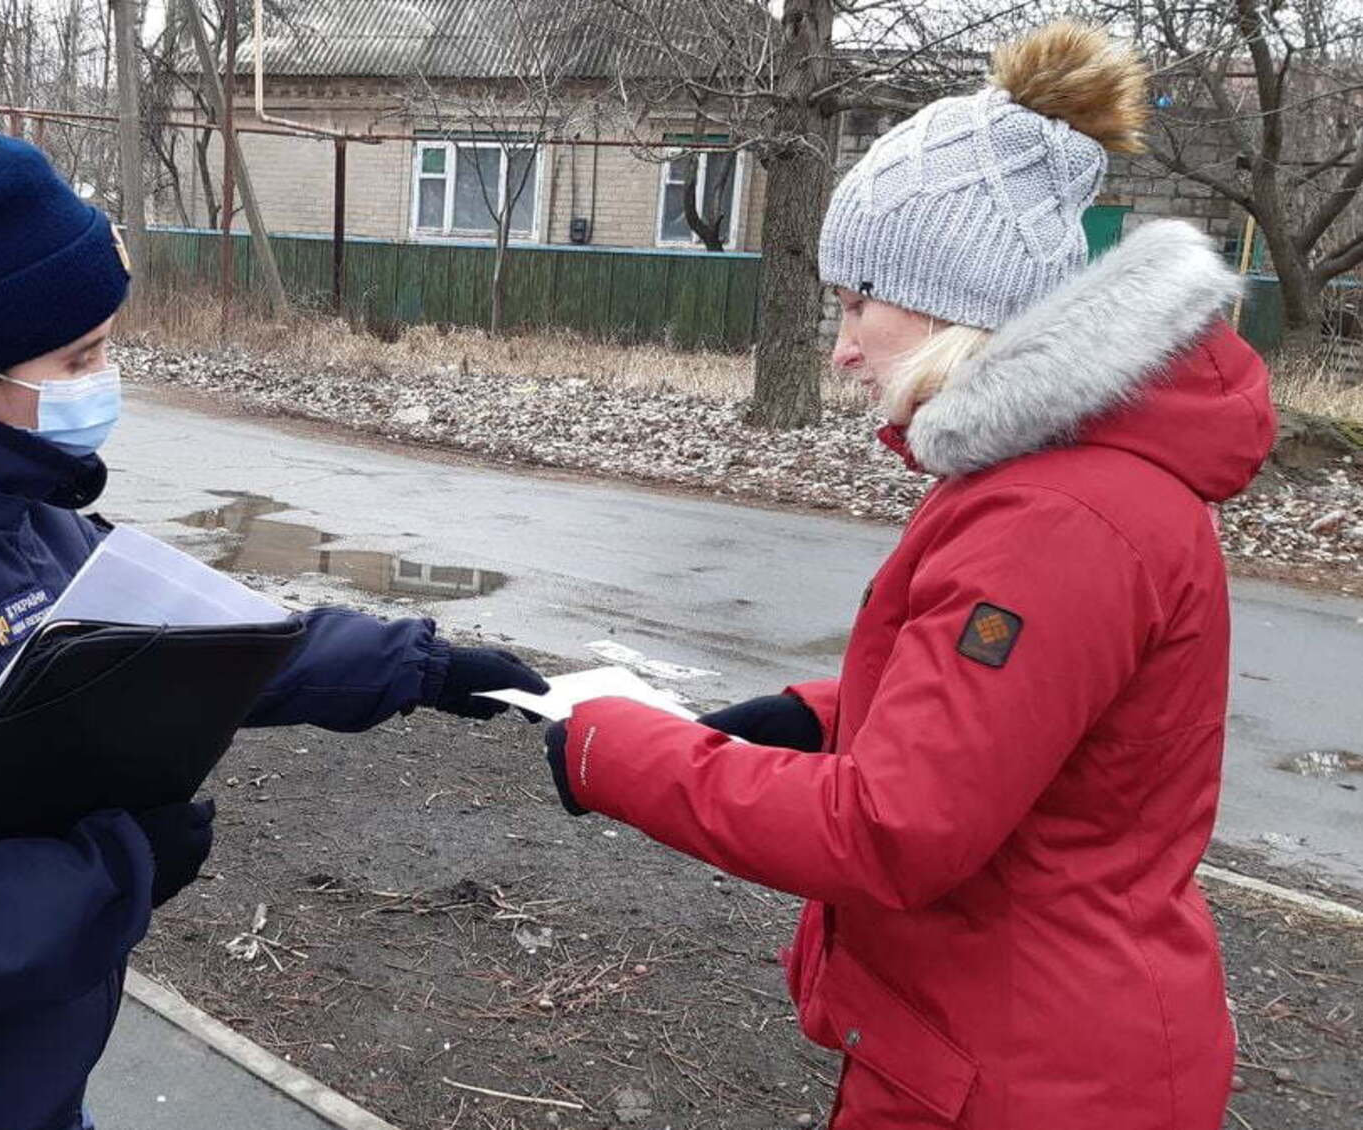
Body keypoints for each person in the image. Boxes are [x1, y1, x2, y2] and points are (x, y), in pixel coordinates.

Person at [0, 119, 547, 1130]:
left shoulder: (20, 505)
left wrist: (421, 665)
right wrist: (119, 867)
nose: (107, 379)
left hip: (26, 1087)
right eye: (83, 354)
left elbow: (198, 645)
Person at [539, 23, 1274, 1130]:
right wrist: (809, 714)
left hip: (1033, 1078)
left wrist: (614, 748)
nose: (841, 346)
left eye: (855, 301)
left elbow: (892, 829)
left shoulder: (1058, 515)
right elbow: (1018, 723)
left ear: (948, 298)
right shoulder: (1065, 480)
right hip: (1018, 1042)